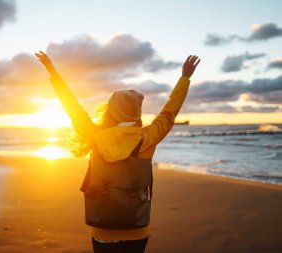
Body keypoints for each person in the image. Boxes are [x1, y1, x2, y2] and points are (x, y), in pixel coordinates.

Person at [36, 50, 200, 253]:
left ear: (112, 110)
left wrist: (53, 72)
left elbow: (72, 107)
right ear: (137, 112)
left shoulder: (93, 135)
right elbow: (169, 113)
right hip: (137, 228)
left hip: (102, 229)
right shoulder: (148, 137)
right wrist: (184, 78)